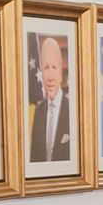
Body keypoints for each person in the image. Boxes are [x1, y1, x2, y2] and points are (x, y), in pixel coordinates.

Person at [28, 34, 72, 165]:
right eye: (46, 68)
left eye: (54, 67)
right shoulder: (38, 112)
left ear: (60, 74)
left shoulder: (73, 111)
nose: (50, 76)